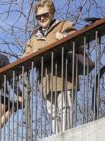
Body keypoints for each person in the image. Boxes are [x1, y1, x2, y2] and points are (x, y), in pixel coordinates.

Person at [23, 0, 78, 133]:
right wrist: (34, 53)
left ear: (52, 13)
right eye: (38, 16)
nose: (42, 18)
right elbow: (25, 58)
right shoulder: (34, 38)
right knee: (52, 112)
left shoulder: (63, 25)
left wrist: (64, 36)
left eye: (45, 15)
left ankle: (67, 138)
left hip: (64, 77)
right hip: (46, 81)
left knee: (65, 108)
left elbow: (77, 39)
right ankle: (57, 139)